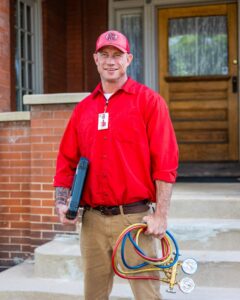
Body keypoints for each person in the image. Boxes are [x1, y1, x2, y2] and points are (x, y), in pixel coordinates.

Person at [54, 30, 178, 300]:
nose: (111, 61)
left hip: (135, 219)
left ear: (128, 59)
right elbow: (66, 160)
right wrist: (62, 202)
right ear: (95, 59)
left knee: (147, 295)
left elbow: (165, 162)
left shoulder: (149, 102)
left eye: (117, 55)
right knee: (94, 295)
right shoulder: (84, 109)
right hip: (92, 222)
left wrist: (161, 215)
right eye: (105, 55)